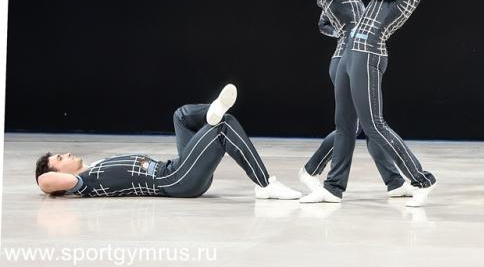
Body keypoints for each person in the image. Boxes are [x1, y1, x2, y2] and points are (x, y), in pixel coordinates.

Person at [300, 0, 450, 207]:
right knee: (344, 127)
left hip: (368, 54)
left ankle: (422, 180)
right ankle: (333, 188)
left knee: (374, 125)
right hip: (352, 53)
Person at [34, 84, 302, 199]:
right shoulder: (83, 184)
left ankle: (211, 111)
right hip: (175, 180)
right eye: (60, 159)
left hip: (175, 167)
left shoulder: (94, 168)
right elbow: (45, 182)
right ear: (59, 173)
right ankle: (266, 184)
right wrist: (51, 183)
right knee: (224, 126)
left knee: (181, 115)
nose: (66, 154)